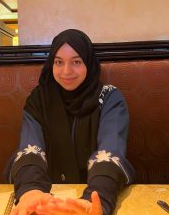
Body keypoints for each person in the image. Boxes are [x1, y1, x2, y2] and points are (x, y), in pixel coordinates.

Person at [8, 29, 135, 215]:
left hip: (90, 198)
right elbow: (30, 147)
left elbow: (110, 152)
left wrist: (93, 199)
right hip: (47, 202)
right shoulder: (39, 99)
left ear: (88, 63)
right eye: (59, 62)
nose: (66, 71)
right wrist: (30, 191)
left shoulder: (109, 97)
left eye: (76, 61)